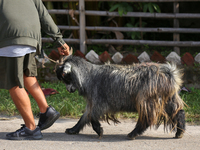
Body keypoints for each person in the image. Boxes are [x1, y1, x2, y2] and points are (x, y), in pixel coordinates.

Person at [0, 0, 70, 140]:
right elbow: (44, 16)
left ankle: (31, 128)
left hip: (12, 36)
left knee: (14, 83)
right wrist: (59, 40)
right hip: (32, 37)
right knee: (27, 76)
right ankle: (46, 111)